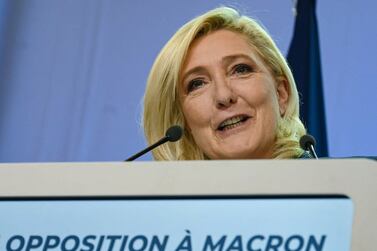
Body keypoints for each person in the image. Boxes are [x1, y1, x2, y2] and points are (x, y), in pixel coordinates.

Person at [143, 7, 308, 160]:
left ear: (281, 93)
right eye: (197, 84)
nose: (223, 96)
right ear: (184, 123)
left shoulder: (331, 186)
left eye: (240, 70)